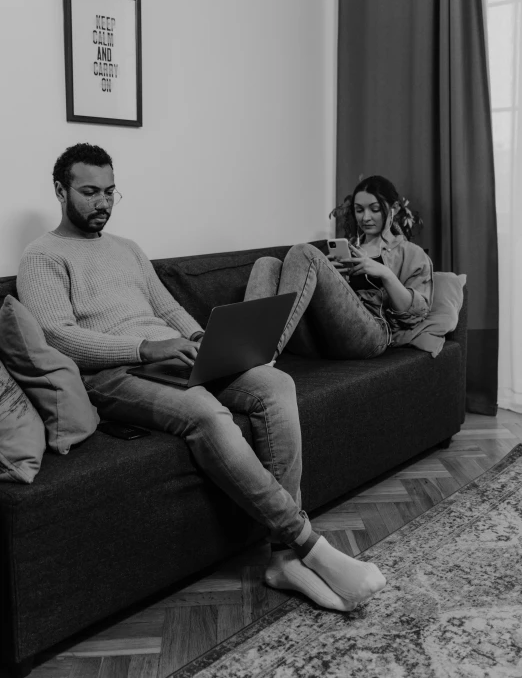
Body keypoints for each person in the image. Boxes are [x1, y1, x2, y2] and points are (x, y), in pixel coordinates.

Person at [17, 143, 386, 613]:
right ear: (59, 190)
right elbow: (59, 337)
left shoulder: (127, 249)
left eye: (111, 192)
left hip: (174, 358)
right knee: (205, 411)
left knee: (276, 385)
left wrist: (203, 338)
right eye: (90, 192)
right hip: (111, 374)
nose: (103, 203)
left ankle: (280, 560)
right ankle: (309, 545)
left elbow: (166, 307)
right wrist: (146, 347)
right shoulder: (42, 256)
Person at [244, 175, 433, 360]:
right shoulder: (348, 248)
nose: (365, 217)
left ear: (394, 209)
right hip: (322, 335)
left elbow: (415, 316)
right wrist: (328, 277)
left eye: (374, 209)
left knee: (303, 251)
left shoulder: (411, 253)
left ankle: (259, 356)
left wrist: (386, 274)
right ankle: (244, 347)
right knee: (267, 264)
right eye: (359, 210)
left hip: (372, 334)